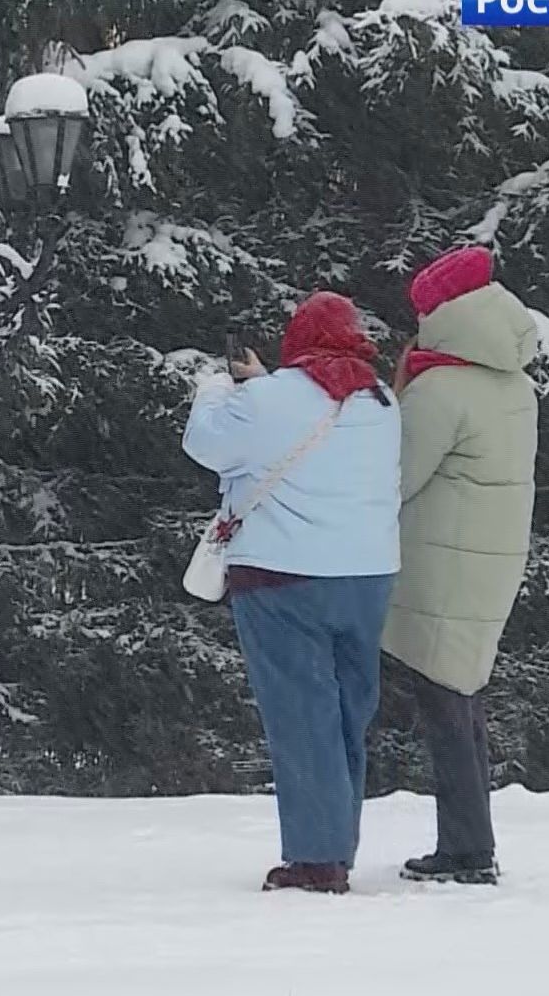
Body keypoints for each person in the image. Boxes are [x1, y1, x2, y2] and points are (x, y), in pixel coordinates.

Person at [182, 292, 402, 894]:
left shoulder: (266, 398)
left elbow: (207, 443)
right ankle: (337, 840)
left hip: (284, 577)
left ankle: (317, 857)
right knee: (345, 714)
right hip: (367, 575)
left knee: (302, 715)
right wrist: (264, 386)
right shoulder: (382, 402)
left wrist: (220, 387)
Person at [384, 245, 539, 886]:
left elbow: (394, 477)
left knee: (445, 704)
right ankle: (471, 841)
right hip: (487, 560)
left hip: (442, 567)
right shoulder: (513, 382)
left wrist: (397, 394)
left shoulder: (442, 390)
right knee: (461, 698)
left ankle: (468, 850)